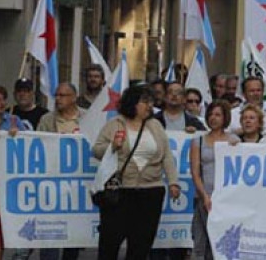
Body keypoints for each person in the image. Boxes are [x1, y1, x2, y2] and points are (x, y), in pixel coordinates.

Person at [92, 85, 180, 260]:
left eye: (151, 102)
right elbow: (96, 150)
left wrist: (173, 182)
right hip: (120, 193)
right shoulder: (115, 124)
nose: (149, 106)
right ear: (132, 103)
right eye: (145, 101)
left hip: (151, 193)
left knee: (141, 245)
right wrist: (113, 146)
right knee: (110, 244)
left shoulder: (155, 125)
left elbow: (167, 156)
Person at [34, 83, 84, 260]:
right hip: (53, 183)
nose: (58, 99)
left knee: (73, 232)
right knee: (50, 231)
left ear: (74, 97)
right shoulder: (47, 120)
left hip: (77, 184)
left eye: (63, 95)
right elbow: (36, 146)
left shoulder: (87, 117)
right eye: (56, 95)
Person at [189, 101, 239, 260]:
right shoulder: (199, 141)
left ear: (225, 117)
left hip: (225, 199)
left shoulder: (234, 140)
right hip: (205, 197)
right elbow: (195, 172)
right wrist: (204, 196)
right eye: (211, 114)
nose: (213, 118)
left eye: (218, 115)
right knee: (200, 241)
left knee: (219, 243)